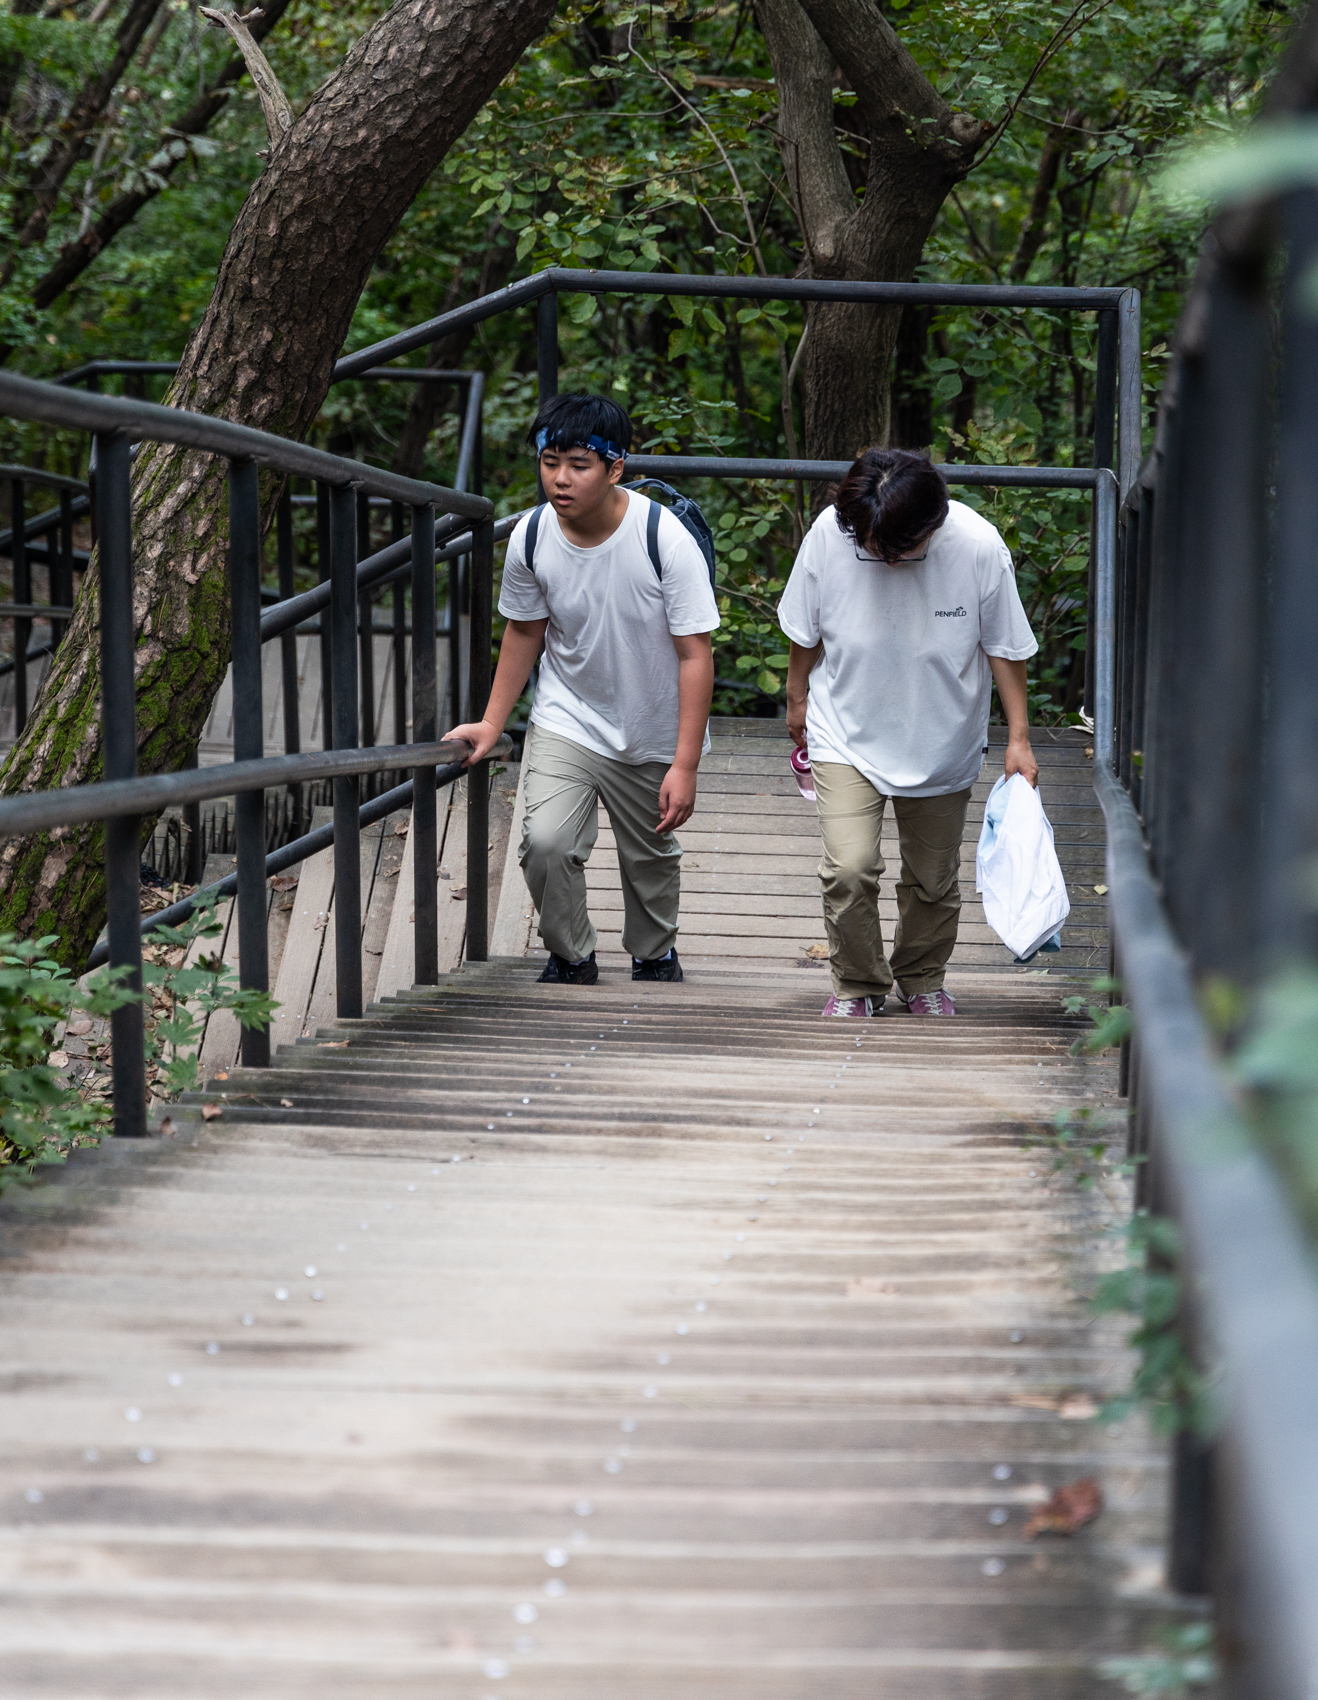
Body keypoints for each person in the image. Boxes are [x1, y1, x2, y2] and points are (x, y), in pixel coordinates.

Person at [447, 393, 718, 985]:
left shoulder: (662, 538)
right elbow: (524, 632)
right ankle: (571, 955)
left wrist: (686, 764)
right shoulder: (531, 535)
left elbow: (696, 654)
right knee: (546, 843)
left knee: (648, 858)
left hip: (651, 725)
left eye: (578, 464)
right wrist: (493, 724)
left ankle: (655, 953)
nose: (560, 480)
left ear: (615, 468)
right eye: (549, 463)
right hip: (567, 716)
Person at [778, 447, 1039, 1019]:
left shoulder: (976, 545)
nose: (883, 557)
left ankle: (921, 978)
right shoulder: (831, 533)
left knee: (932, 879)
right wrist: (797, 696)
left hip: (942, 734)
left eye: (898, 547)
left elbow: (1006, 648)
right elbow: (805, 624)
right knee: (848, 869)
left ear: (933, 522)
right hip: (844, 725)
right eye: (871, 546)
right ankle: (857, 984)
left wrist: (1018, 738)